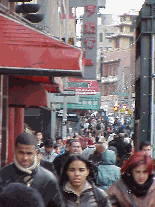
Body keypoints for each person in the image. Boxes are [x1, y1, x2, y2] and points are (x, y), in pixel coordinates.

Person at [0, 132, 65, 207]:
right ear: (14, 150)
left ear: (35, 152)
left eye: (29, 153)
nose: (25, 158)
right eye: (21, 153)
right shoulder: (3, 176)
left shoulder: (48, 179)